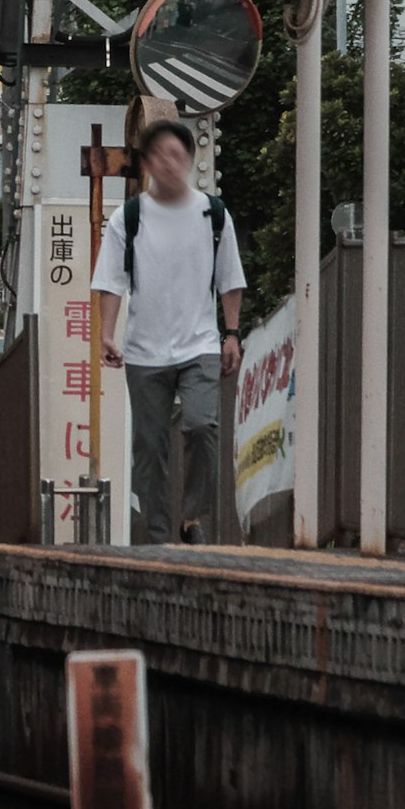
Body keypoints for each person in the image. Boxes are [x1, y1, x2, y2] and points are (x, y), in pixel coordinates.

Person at [88, 115, 247, 550]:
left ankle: (192, 516)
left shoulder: (213, 215)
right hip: (144, 351)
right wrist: (106, 334)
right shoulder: (130, 217)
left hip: (200, 345)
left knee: (202, 426)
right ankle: (158, 535)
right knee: (149, 447)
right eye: (160, 155)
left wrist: (231, 333)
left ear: (190, 161)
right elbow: (111, 282)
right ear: (148, 164)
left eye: (177, 155)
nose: (169, 163)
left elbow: (230, 279)